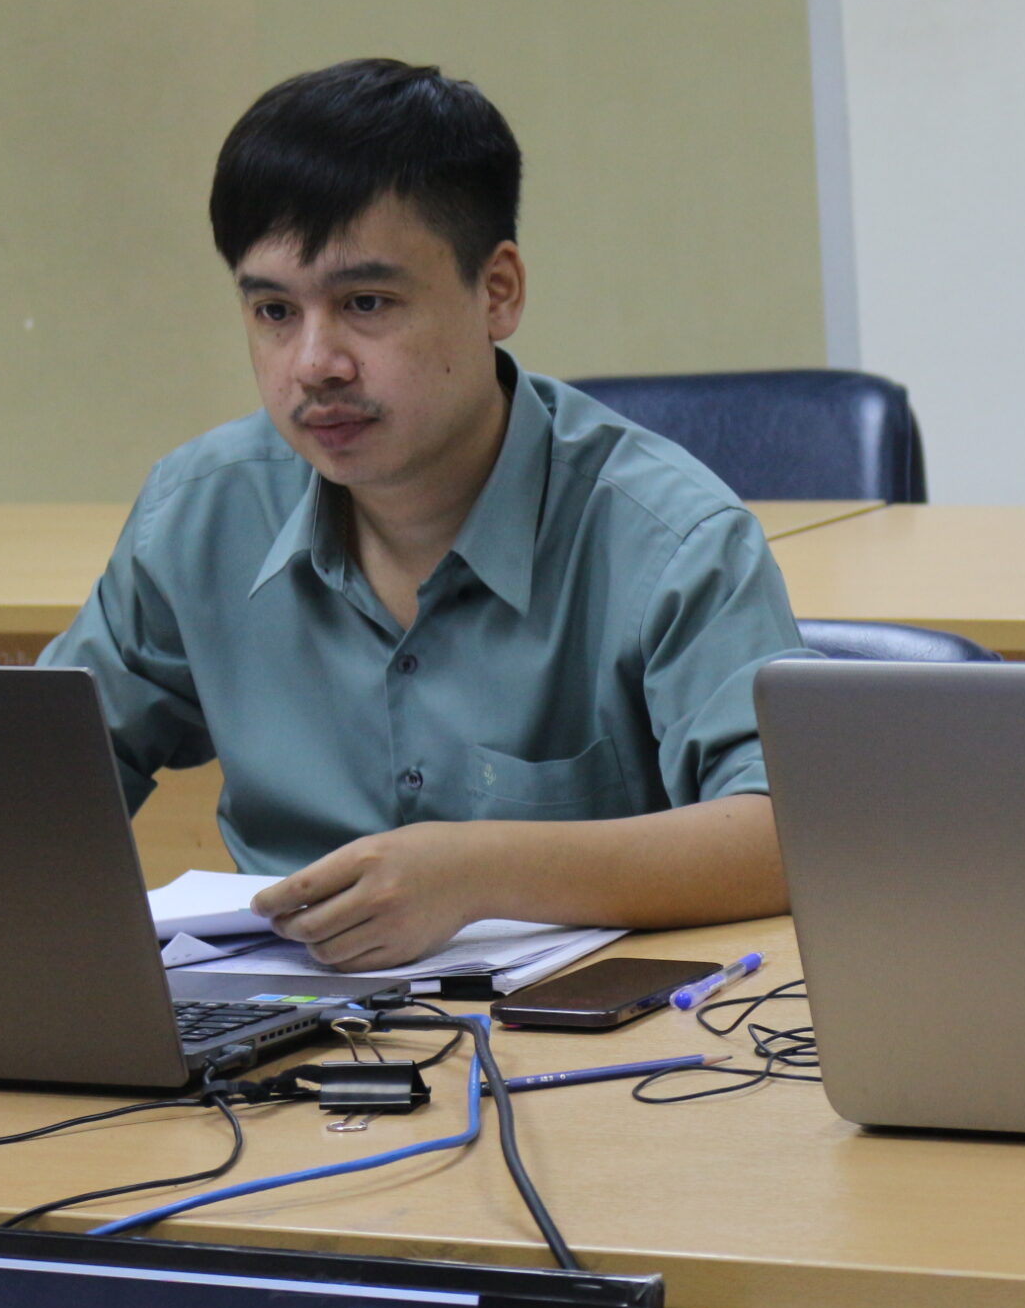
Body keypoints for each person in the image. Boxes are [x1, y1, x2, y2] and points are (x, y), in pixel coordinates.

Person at [43, 60, 805, 970]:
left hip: (578, 1034)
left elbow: (785, 835)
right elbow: (26, 785)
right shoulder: (200, 513)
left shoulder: (669, 537)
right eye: (275, 311)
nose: (315, 363)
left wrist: (481, 871)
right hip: (273, 1030)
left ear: (498, 292)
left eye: (366, 303)